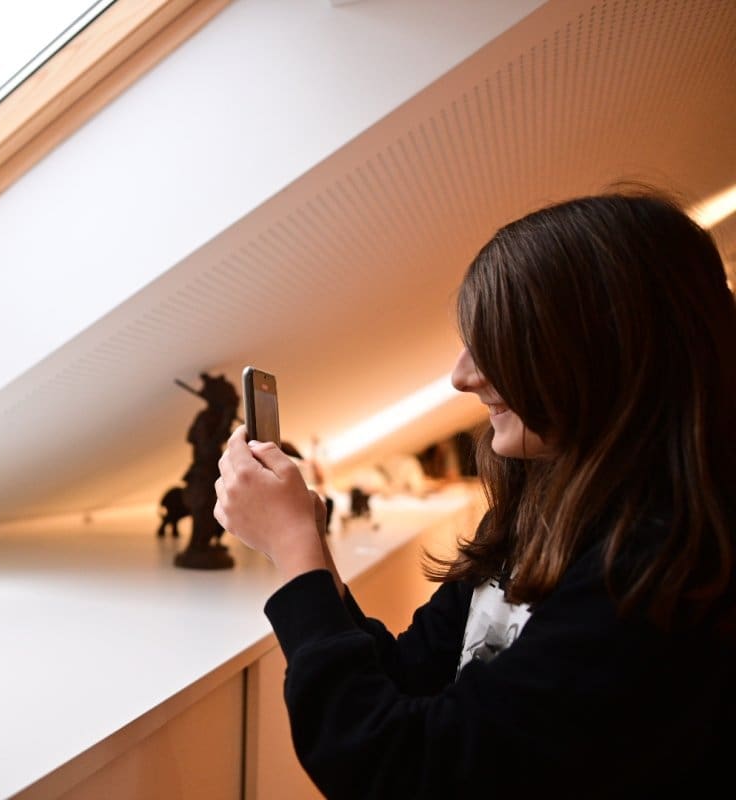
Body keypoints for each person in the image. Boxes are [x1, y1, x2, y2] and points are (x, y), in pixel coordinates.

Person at [214, 190, 736, 797]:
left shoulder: (656, 572)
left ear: (605, 352)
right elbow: (411, 680)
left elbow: (396, 767)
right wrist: (308, 546)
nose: (461, 375)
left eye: (501, 343)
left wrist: (294, 546)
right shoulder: (538, 515)